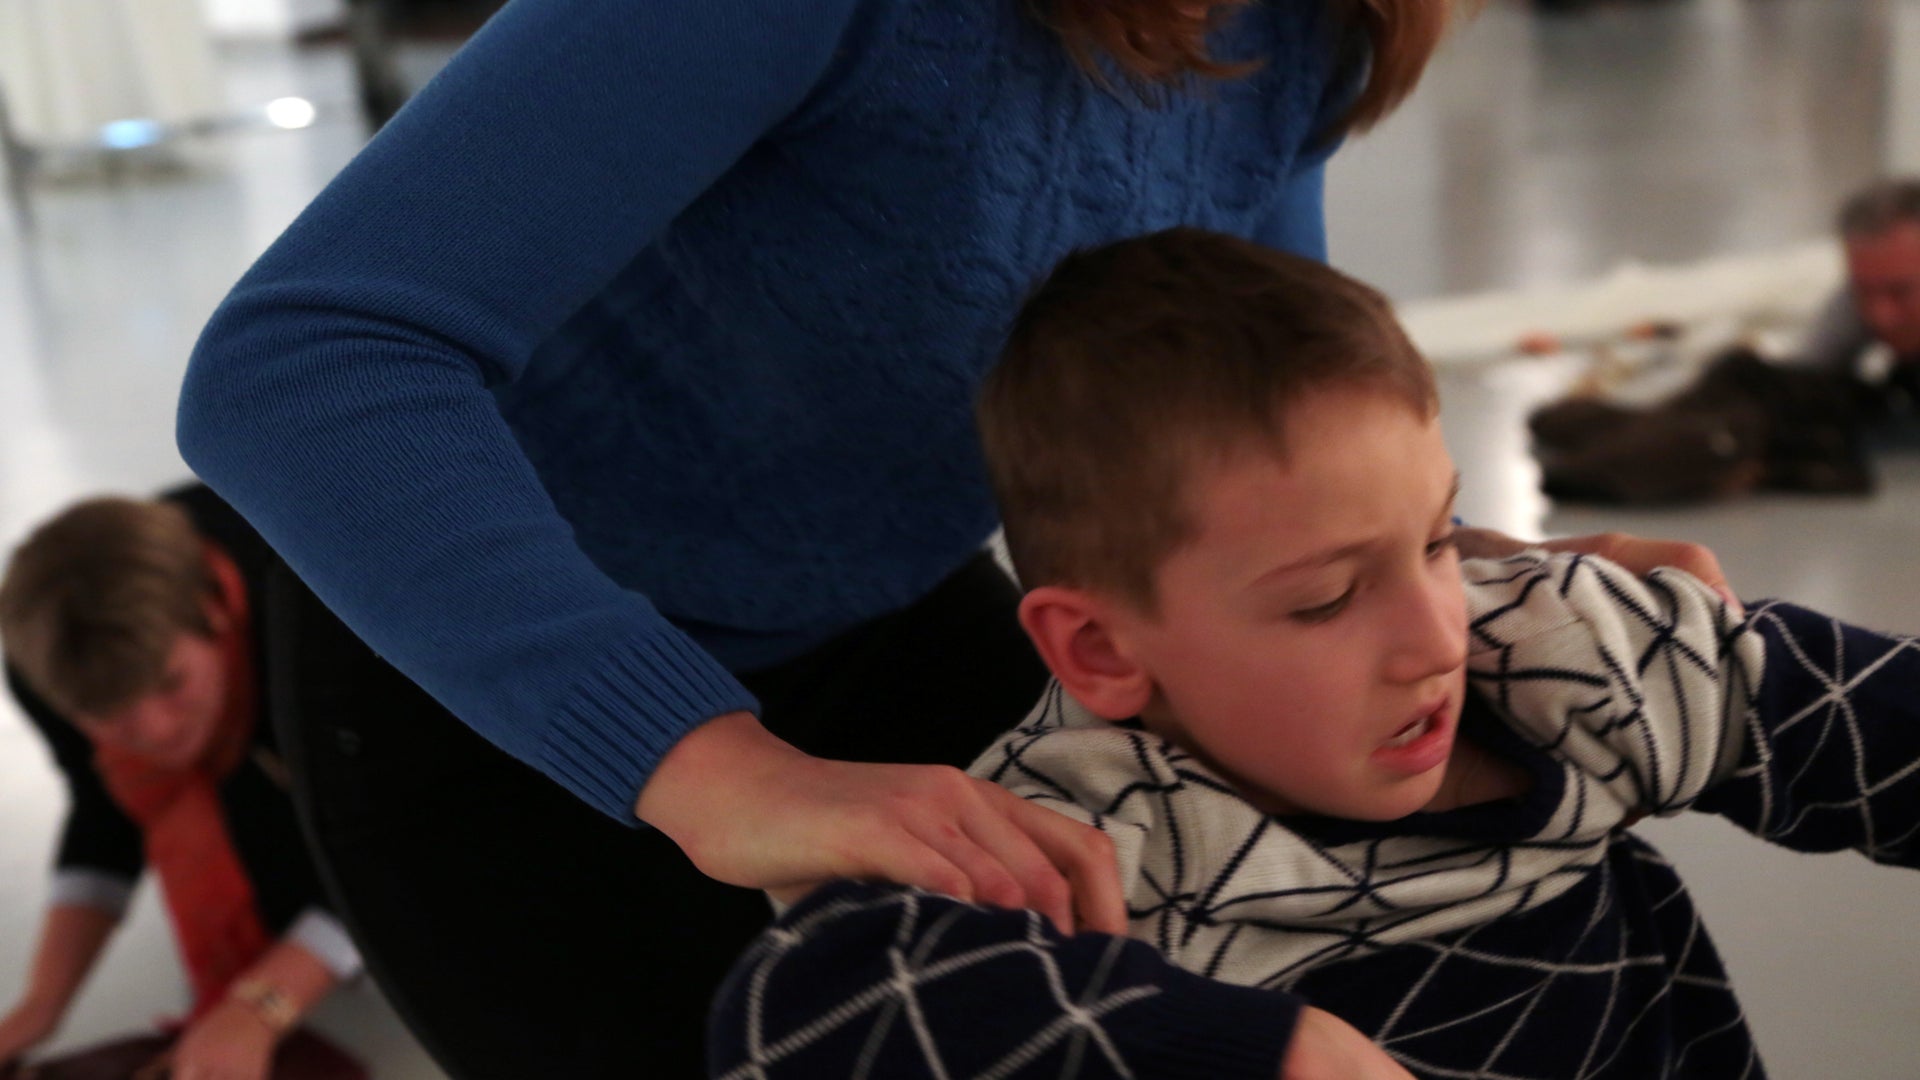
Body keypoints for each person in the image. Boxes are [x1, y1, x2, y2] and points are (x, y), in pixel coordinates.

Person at [172, 1, 1477, 1075]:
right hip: (498, 676)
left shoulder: (1315, 23)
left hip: (879, 610)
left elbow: (1248, 443)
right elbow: (299, 365)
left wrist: (1481, 577)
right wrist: (720, 771)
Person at [706, 229, 1920, 1078]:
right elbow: (799, 1011)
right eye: (1327, 599)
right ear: (1103, 649)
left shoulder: (1557, 656)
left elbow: (1879, 727)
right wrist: (1241, 1048)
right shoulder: (1099, 839)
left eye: (1440, 539)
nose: (1435, 640)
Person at [0, 486, 364, 1080]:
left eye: (171, 683)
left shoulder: (321, 617)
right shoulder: (47, 666)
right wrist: (39, 1006)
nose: (155, 734)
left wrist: (262, 1004)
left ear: (216, 609)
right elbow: (105, 806)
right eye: (108, 715)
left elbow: (418, 827)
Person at [1793, 177, 1920, 410]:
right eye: (1863, 291)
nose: (1881, 316)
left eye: (1900, 292)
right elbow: (1799, 380)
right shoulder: (1855, 301)